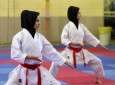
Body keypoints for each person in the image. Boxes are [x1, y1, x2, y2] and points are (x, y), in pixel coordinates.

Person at [5, 10, 70, 85]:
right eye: (36, 21)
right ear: (30, 21)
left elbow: (50, 51)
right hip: (23, 71)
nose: (39, 23)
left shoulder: (40, 37)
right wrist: (28, 57)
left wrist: (64, 60)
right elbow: (14, 53)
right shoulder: (19, 37)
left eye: (38, 21)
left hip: (38, 70)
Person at [50, 6, 108, 84]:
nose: (80, 14)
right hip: (69, 52)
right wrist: (73, 43)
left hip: (81, 53)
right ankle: (50, 80)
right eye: (78, 13)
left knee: (97, 61)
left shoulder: (82, 26)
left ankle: (98, 78)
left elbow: (89, 36)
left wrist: (99, 44)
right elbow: (63, 39)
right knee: (55, 62)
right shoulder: (67, 27)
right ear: (74, 14)